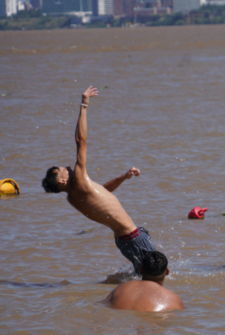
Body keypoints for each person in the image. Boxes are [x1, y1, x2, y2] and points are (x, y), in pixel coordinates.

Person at [42, 86, 156, 275]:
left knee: (145, 276)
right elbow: (81, 141)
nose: (68, 167)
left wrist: (123, 177)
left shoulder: (73, 198)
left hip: (123, 241)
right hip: (134, 237)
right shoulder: (79, 180)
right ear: (61, 181)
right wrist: (84, 105)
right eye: (63, 170)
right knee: (160, 273)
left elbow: (101, 193)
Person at [103, 251, 184, 312]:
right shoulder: (174, 299)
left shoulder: (119, 289)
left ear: (141, 270)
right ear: (167, 271)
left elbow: (102, 305)